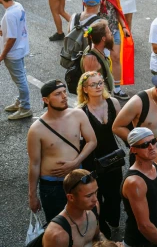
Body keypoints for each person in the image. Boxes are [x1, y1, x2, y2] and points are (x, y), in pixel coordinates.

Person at [27, 79, 97, 222]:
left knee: (84, 218)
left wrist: (75, 162)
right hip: (52, 185)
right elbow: (34, 164)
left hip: (77, 180)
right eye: (58, 94)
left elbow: (92, 141)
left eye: (65, 92)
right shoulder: (36, 129)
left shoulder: (78, 115)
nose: (64, 96)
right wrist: (32, 196)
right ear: (46, 100)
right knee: (58, 224)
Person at [77, 71, 123, 239]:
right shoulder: (81, 111)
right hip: (92, 160)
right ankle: (101, 225)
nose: (98, 87)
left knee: (115, 194)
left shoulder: (113, 103)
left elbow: (122, 126)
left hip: (113, 157)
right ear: (85, 89)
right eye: (93, 84)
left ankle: (110, 217)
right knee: (96, 196)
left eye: (100, 82)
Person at [121, 127, 157, 247]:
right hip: (138, 242)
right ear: (133, 150)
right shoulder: (135, 182)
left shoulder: (155, 167)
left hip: (156, 234)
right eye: (145, 145)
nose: (151, 147)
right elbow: (144, 225)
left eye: (153, 142)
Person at [41, 169, 105, 246]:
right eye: (89, 196)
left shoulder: (94, 208)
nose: (95, 199)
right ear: (71, 197)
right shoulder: (57, 234)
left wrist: (109, 244)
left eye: (96, 192)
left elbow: (97, 236)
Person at [0, 0, 32, 120]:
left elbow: (11, 38)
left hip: (13, 53)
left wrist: (2, 56)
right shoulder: (17, 6)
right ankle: (21, 100)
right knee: (21, 77)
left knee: (19, 80)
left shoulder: (9, 15)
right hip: (21, 48)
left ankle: (25, 107)